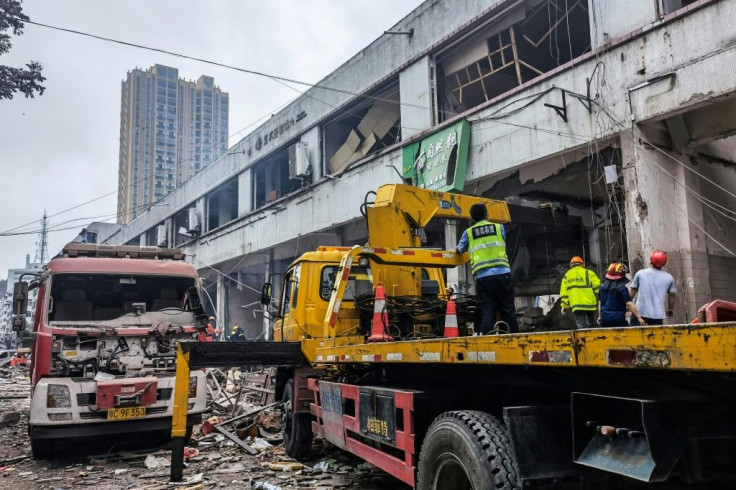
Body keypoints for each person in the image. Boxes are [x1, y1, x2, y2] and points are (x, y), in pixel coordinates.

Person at [456, 203, 518, 334]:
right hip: (503, 274)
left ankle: (488, 340)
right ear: (486, 214)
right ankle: (514, 338)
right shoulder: (499, 227)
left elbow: (459, 250)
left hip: (484, 277)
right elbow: (503, 243)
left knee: (488, 310)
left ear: (472, 218)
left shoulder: (468, 233)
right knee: (508, 309)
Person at [630, 250, 676, 326]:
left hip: (639, 312)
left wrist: (628, 303)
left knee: (634, 336)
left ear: (651, 261)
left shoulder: (641, 273)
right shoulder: (669, 277)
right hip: (657, 315)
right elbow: (672, 295)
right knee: (656, 337)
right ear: (664, 263)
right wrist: (670, 308)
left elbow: (633, 290)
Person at [599, 262, 645, 328]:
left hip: (605, 318)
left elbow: (600, 303)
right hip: (618, 318)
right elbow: (629, 304)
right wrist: (639, 317)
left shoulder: (602, 287)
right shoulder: (622, 289)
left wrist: (600, 316)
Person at [559, 256, 601, 329]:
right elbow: (598, 288)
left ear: (571, 265)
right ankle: (597, 338)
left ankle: (585, 339)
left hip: (577, 305)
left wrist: (564, 306)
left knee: (582, 326)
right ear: (583, 264)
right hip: (590, 304)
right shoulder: (589, 273)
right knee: (592, 324)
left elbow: (564, 294)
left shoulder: (567, 276)